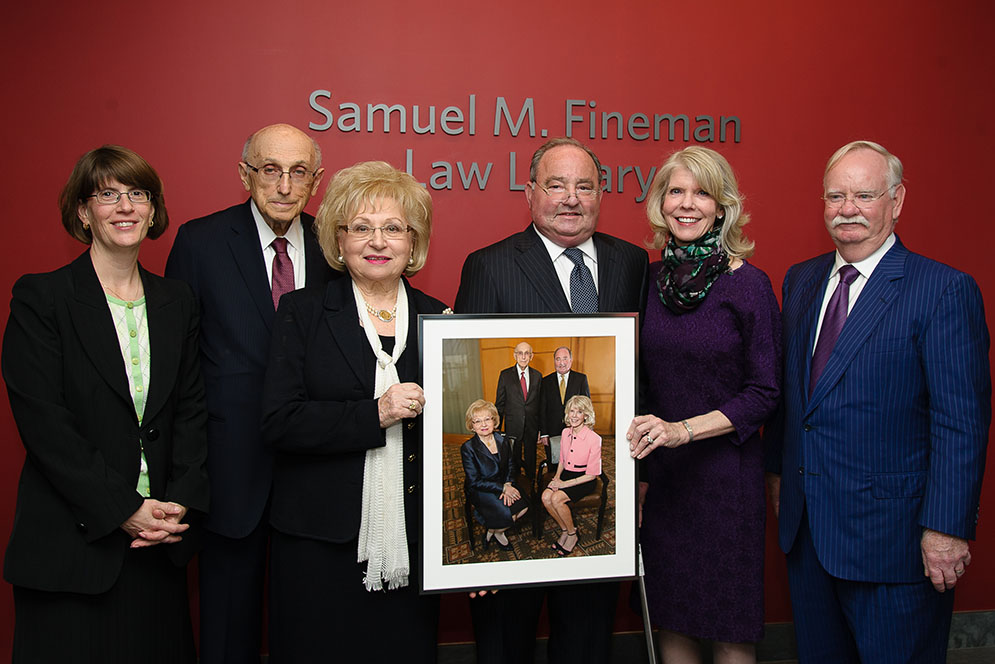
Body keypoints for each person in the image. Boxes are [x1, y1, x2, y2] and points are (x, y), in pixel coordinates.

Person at [765, 140, 990, 663]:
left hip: (896, 544)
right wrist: (777, 478)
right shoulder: (800, 280)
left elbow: (961, 422)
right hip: (809, 537)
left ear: (898, 200)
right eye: (835, 196)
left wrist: (948, 529)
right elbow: (793, 396)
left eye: (864, 196)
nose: (847, 209)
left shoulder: (943, 290)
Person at [1, 145, 209, 663]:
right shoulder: (41, 298)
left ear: (153, 210)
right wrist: (125, 511)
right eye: (107, 195)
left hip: (158, 545)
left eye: (137, 194)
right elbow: (46, 426)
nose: (125, 207)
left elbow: (190, 412)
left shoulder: (176, 301)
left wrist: (177, 504)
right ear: (82, 211)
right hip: (74, 550)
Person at [455, 137, 648, 664]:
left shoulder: (632, 263)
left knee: (587, 636)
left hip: (590, 452)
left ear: (601, 193)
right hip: (518, 446)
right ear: (529, 191)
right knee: (504, 633)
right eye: (555, 184)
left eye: (584, 186)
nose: (570, 198)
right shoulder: (488, 266)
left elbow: (644, 375)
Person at [261, 160, 447, 663]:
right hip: (319, 545)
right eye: (361, 228)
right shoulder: (302, 312)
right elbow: (279, 421)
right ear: (338, 241)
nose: (378, 242)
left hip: (412, 545)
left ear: (414, 241)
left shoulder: (441, 318)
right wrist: (376, 413)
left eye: (393, 228)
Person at [164, 123, 335, 663]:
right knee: (227, 629)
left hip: (316, 473)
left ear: (316, 180)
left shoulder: (336, 246)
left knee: (308, 626)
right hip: (230, 472)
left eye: (298, 172)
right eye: (270, 170)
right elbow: (178, 367)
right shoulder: (200, 242)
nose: (285, 185)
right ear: (246, 175)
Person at [626, 146, 781, 664]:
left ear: (723, 206)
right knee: (673, 618)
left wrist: (683, 431)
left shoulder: (750, 285)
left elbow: (764, 393)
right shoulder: (647, 281)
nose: (687, 204)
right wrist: (643, 474)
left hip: (726, 484)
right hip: (664, 483)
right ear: (659, 203)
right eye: (676, 191)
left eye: (702, 192)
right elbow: (642, 381)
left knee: (729, 627)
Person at [461, 399, 530, 550]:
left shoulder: (502, 440)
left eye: (487, 419)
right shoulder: (468, 448)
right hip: (482, 490)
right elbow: (474, 481)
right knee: (507, 514)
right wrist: (502, 489)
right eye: (477, 421)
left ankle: (492, 531)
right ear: (471, 425)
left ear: (494, 420)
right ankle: (499, 533)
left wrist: (508, 484)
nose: (483, 425)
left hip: (503, 482)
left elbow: (511, 464)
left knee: (523, 507)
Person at [542, 396, 601, 556]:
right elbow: (562, 459)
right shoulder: (565, 432)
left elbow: (592, 475)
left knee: (556, 499)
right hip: (566, 474)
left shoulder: (594, 439)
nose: (574, 415)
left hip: (584, 479)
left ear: (586, 415)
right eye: (572, 411)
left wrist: (563, 485)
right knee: (546, 497)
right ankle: (566, 530)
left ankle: (572, 535)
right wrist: (557, 478)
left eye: (579, 411)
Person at [495, 341, 542, 483]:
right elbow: (500, 403)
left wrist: (541, 429)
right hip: (513, 425)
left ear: (531, 356)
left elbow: (540, 405)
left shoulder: (538, 376)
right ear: (515, 355)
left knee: (531, 459)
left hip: (531, 427)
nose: (523, 356)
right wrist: (496, 428)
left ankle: (531, 486)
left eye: (526, 353)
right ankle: (515, 486)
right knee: (513, 460)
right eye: (520, 353)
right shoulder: (505, 375)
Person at [538, 346, 591, 474]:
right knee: (553, 463)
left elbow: (587, 407)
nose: (561, 362)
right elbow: (542, 408)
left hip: (576, 429)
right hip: (552, 430)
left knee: (575, 461)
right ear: (554, 361)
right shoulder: (545, 381)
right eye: (558, 359)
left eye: (565, 358)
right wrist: (544, 432)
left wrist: (587, 429)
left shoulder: (581, 379)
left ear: (571, 360)